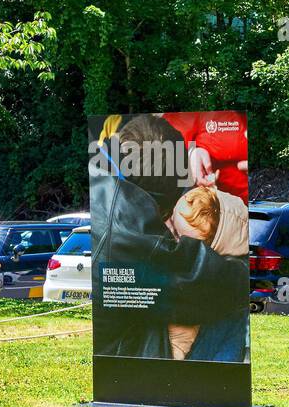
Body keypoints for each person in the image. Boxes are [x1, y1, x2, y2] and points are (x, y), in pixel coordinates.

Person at [89, 113, 249, 361]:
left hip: (110, 341)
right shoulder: (132, 237)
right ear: (164, 207)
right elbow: (212, 284)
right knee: (233, 310)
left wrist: (197, 152)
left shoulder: (99, 174)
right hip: (128, 361)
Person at [166, 185, 250, 360]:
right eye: (173, 224)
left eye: (184, 240)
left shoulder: (224, 275)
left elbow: (185, 325)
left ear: (211, 246)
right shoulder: (189, 204)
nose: (172, 239)